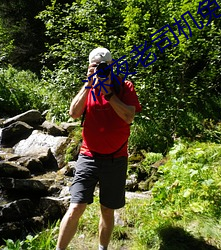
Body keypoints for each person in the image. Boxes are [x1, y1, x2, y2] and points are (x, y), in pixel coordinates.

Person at [56, 47, 142, 250]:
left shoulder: (124, 86)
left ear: (112, 66)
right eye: (94, 66)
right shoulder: (88, 88)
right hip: (89, 156)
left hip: (116, 157)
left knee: (107, 209)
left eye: (103, 66)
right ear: (88, 67)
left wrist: (109, 94)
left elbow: (129, 116)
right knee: (76, 205)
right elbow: (74, 113)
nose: (99, 69)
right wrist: (88, 85)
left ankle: (102, 248)